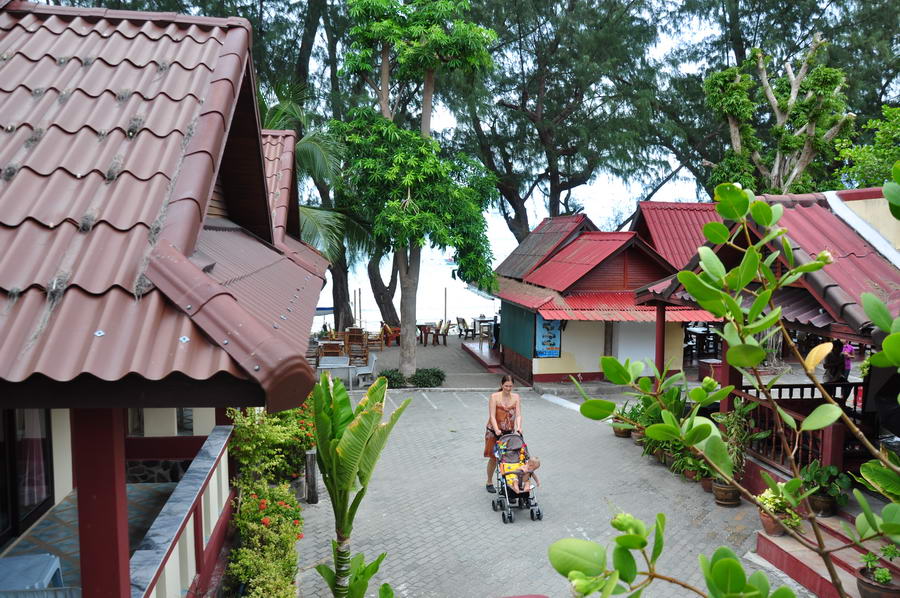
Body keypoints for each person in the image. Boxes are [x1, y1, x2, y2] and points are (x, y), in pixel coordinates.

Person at [484, 374, 522, 493]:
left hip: (508, 432)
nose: (508, 389)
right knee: (494, 458)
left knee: (508, 458)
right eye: (506, 386)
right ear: (502, 385)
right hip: (493, 432)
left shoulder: (516, 397)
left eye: (510, 386)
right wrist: (496, 430)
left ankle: (506, 482)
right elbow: (492, 415)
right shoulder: (494, 396)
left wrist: (519, 427)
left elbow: (518, 414)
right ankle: (489, 481)